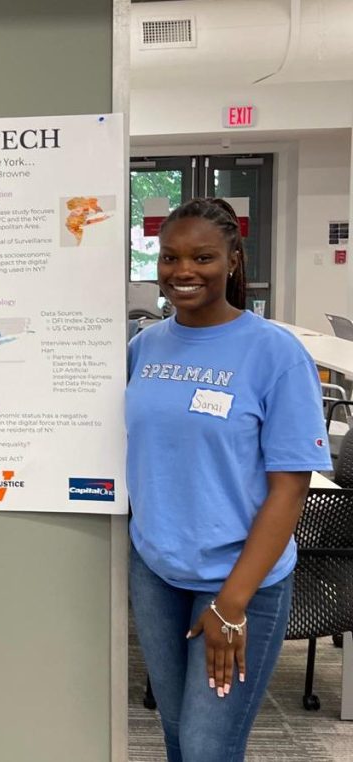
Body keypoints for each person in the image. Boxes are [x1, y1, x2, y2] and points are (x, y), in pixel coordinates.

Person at [126, 198, 331, 762]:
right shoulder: (144, 348)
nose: (183, 271)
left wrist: (230, 604)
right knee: (176, 735)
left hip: (241, 581)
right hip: (157, 570)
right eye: (169, 257)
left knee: (207, 748)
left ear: (233, 261)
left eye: (202, 257)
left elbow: (290, 489)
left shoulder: (276, 354)